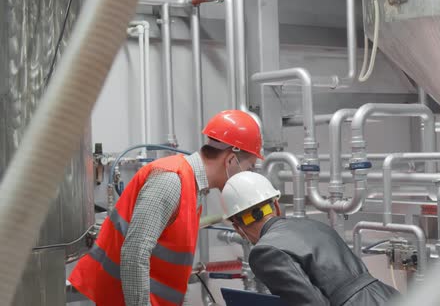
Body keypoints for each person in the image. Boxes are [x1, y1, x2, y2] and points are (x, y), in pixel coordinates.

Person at [69, 110, 263, 306]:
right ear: (230, 161)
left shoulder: (192, 188)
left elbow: (172, 270)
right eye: (248, 168)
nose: (246, 176)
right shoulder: (171, 180)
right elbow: (135, 253)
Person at [219, 171, 400, 306]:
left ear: (238, 227)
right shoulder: (312, 225)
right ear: (275, 205)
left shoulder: (264, 251)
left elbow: (311, 303)